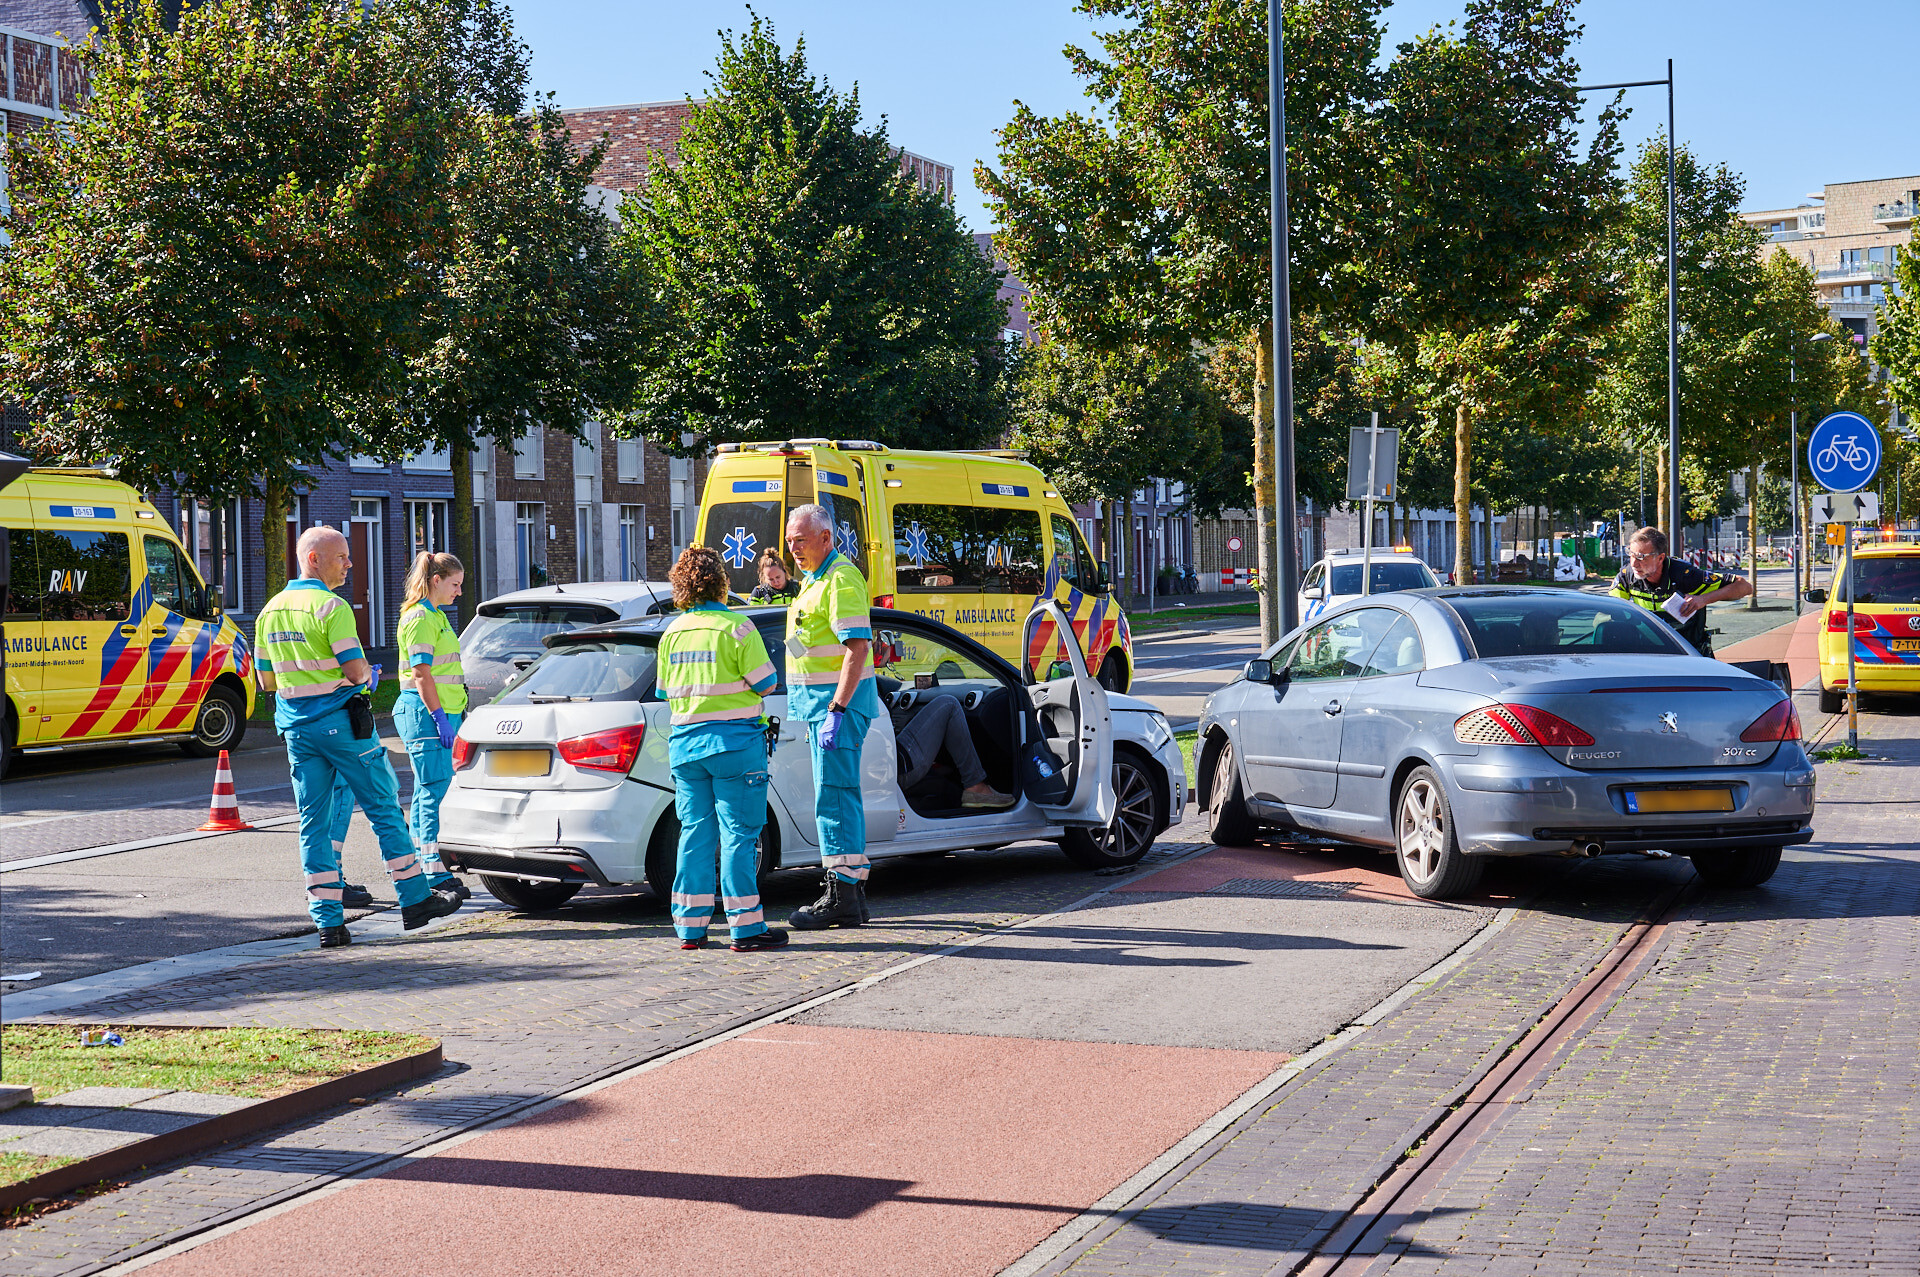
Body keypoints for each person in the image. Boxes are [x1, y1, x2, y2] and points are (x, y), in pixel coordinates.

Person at [256, 527, 462, 948]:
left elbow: (266, 681)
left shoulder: (270, 611)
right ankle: (415, 899)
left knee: (313, 821)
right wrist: (369, 676)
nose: (349, 564)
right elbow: (355, 672)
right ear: (313, 559)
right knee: (384, 806)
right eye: (342, 557)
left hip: (297, 727)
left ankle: (328, 922)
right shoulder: (331, 606)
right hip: (344, 726)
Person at [656, 546, 787, 952]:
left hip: (686, 748)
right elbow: (766, 684)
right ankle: (746, 929)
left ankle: (690, 929)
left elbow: (665, 691)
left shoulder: (671, 632)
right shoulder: (738, 627)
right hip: (735, 745)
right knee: (739, 835)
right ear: (721, 581)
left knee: (694, 835)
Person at [783, 503, 879, 930]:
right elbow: (806, 642)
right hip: (820, 709)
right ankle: (850, 895)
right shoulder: (812, 583)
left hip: (834, 709)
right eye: (789, 541)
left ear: (826, 537)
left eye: (800, 541)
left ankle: (840, 893)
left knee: (835, 799)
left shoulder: (839, 578)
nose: (793, 549)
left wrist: (837, 710)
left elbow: (856, 648)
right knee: (836, 797)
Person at [392, 552, 472, 901]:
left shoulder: (436, 616)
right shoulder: (422, 617)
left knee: (435, 789)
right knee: (431, 790)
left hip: (441, 713)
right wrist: (439, 715)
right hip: (427, 714)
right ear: (436, 581)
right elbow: (421, 672)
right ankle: (430, 868)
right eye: (455, 584)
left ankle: (431, 863)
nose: (459, 592)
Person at [1609, 526, 1754, 657]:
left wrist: (1702, 600)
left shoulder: (1686, 575)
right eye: (1631, 554)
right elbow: (1612, 607)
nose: (1634, 563)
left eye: (1641, 557)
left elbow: (1744, 586)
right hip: (1649, 651)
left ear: (1660, 558)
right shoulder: (1627, 575)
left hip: (1687, 651)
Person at [886, 691, 1013, 807]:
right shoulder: (866, 677)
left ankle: (936, 767)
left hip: (883, 766)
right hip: (897, 767)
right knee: (948, 704)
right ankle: (975, 787)